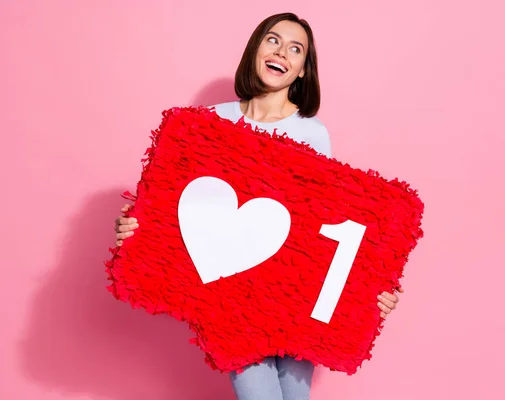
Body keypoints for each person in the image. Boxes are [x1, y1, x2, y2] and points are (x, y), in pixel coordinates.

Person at [113, 12, 402, 400]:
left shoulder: (313, 134)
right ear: (256, 49)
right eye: (273, 40)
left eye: (295, 48)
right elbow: (181, 204)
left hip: (292, 301)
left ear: (301, 70)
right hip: (230, 303)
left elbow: (326, 224)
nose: (282, 51)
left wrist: (373, 286)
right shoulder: (210, 124)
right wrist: (139, 228)